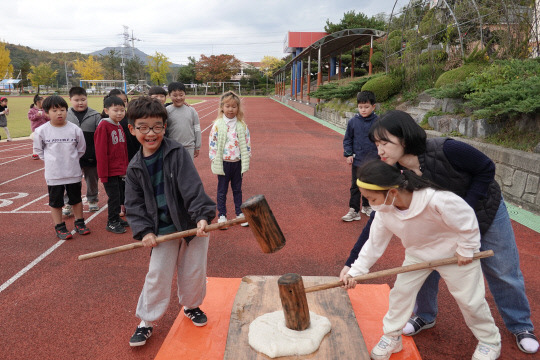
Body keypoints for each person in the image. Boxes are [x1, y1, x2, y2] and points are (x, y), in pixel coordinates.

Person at [340, 110, 538, 354]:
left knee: (502, 271)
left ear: (404, 139)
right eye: (376, 144)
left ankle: (519, 326)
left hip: (484, 208)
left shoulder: (446, 150)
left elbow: (486, 169)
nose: (379, 150)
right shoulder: (396, 176)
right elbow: (379, 224)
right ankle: (423, 316)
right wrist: (354, 265)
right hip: (439, 231)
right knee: (415, 278)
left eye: (385, 143)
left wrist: (467, 232)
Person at [342, 160, 501, 360]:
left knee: (470, 300)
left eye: (371, 198)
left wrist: (467, 248)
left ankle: (489, 341)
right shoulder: (384, 211)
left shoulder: (437, 200)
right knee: (401, 294)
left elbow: (466, 220)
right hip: (417, 253)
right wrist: (356, 271)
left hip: (455, 254)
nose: (369, 203)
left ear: (392, 192)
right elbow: (374, 244)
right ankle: (392, 336)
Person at [124, 96, 216, 347]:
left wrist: (201, 217)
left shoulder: (177, 154)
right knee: (157, 275)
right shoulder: (134, 168)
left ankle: (191, 305)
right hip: (161, 229)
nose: (151, 133)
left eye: (157, 127)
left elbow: (192, 188)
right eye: (143, 127)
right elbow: (134, 205)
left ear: (165, 127)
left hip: (191, 224)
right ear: (132, 129)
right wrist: (144, 232)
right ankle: (146, 321)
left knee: (194, 270)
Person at [33, 95, 91, 239]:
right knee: (56, 202)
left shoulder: (74, 129)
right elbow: (39, 150)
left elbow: (81, 148)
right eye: (55, 110)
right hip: (54, 175)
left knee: (76, 199)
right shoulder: (42, 131)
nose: (59, 113)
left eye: (63, 110)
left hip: (73, 172)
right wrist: (52, 161)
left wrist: (70, 160)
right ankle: (59, 226)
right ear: (46, 113)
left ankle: (79, 222)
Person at [208, 91, 251, 227]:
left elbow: (247, 141)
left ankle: (239, 213)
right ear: (222, 107)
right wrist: (214, 158)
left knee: (237, 189)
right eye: (227, 106)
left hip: (237, 162)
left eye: (234, 106)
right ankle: (222, 215)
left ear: (238, 108)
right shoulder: (217, 124)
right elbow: (212, 142)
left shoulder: (241, 125)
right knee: (222, 190)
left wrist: (247, 156)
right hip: (224, 163)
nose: (230, 109)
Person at [64, 86, 102, 215]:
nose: (80, 102)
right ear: (70, 100)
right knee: (70, 179)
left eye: (83, 99)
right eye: (76, 100)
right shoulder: (65, 115)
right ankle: (69, 202)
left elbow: (100, 135)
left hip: (91, 154)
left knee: (92, 179)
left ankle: (92, 200)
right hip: (71, 155)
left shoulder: (96, 115)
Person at [341, 91, 379, 222]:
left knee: (370, 185)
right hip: (358, 160)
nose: (363, 110)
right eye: (360, 107)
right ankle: (354, 210)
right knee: (355, 186)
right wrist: (348, 154)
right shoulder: (353, 122)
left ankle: (367, 206)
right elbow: (348, 139)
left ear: (373, 107)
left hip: (374, 160)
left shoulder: (379, 122)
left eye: (366, 107)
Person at [94, 96, 129, 234]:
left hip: (119, 169)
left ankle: (116, 218)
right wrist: (103, 174)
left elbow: (123, 149)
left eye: (122, 110)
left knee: (119, 195)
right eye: (116, 110)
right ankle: (111, 222)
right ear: (106, 110)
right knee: (114, 197)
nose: (120, 113)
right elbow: (101, 152)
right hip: (109, 171)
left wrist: (125, 168)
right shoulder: (104, 126)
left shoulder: (119, 125)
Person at [165, 82, 201, 160]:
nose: (178, 98)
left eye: (181, 95)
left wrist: (197, 145)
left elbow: (197, 129)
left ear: (185, 94)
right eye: (175, 95)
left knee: (188, 171)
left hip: (189, 147)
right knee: (174, 170)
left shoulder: (192, 110)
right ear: (169, 95)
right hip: (172, 147)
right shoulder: (167, 111)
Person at [28, 94, 49, 159]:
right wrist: (36, 115)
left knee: (45, 141)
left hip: (45, 129)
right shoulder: (32, 110)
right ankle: (35, 154)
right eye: (43, 102)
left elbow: (49, 119)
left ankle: (46, 152)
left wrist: (47, 117)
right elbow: (30, 118)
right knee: (36, 142)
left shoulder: (45, 110)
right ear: (37, 103)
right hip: (36, 129)